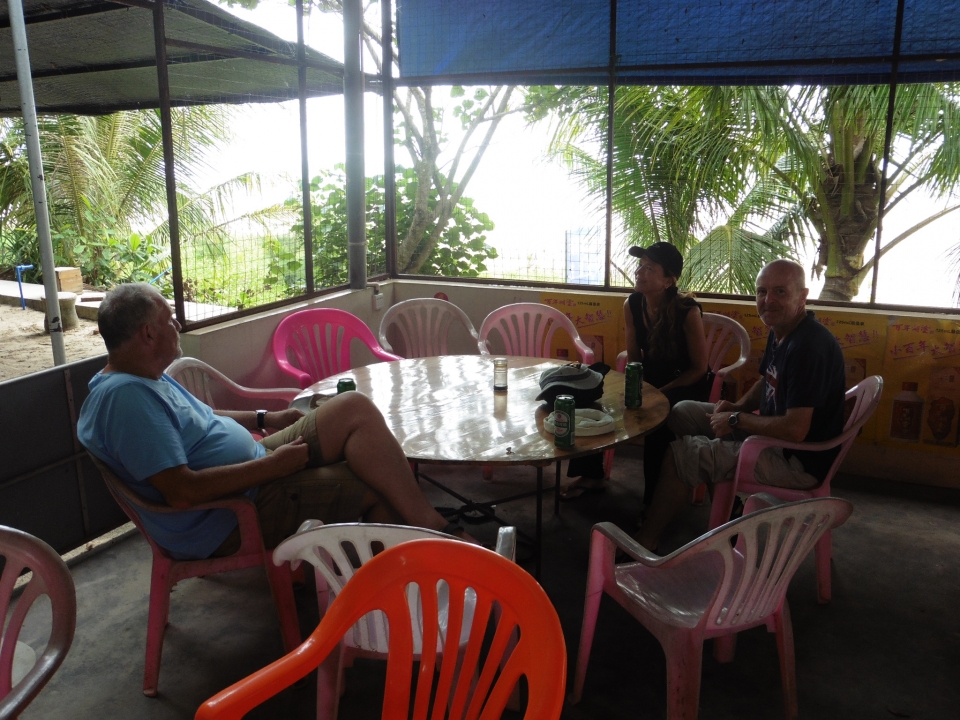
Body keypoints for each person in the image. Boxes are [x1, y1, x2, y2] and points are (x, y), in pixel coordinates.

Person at [78, 283, 473, 561]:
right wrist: (272, 467)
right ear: (148, 334)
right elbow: (182, 492)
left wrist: (267, 417)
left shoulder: (144, 376)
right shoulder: (126, 400)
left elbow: (201, 416)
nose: (177, 326)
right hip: (232, 512)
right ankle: (419, 575)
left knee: (351, 406)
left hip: (254, 464)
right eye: (169, 319)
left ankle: (426, 526)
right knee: (373, 483)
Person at [635, 259, 846, 552]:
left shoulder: (808, 348)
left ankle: (647, 541)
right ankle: (725, 506)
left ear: (803, 296)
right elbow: (766, 382)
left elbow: (796, 429)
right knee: (682, 412)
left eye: (780, 292)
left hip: (796, 461)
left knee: (680, 453)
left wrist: (737, 421)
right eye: (762, 292)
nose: (768, 301)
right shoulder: (782, 327)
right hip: (775, 440)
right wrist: (737, 406)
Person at [561, 242, 709, 502]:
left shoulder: (688, 311)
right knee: (593, 395)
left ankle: (653, 503)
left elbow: (698, 368)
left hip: (685, 384)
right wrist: (630, 387)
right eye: (640, 266)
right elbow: (633, 358)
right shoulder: (633, 303)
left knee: (660, 422)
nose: (639, 272)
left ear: (668, 280)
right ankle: (592, 475)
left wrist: (660, 393)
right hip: (650, 378)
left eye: (649, 268)